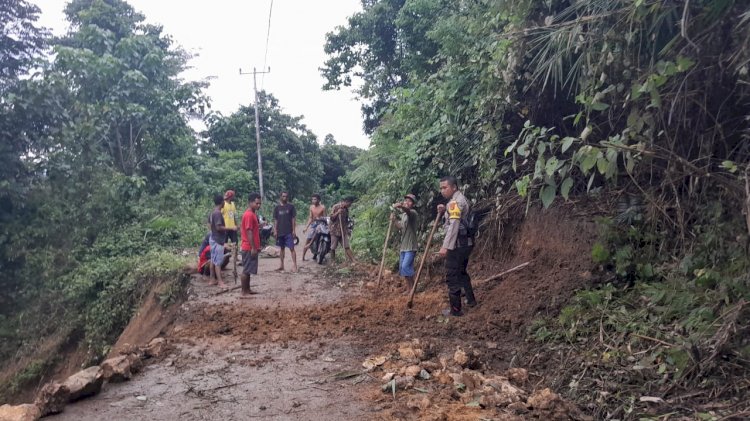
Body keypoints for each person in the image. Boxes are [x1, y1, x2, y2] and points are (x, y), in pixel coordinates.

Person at [436, 176, 476, 316]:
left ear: (454, 187)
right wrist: (444, 210)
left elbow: (453, 225)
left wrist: (446, 246)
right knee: (461, 272)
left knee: (452, 274)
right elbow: (454, 218)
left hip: (458, 245)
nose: (442, 191)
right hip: (466, 244)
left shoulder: (455, 203)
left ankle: (456, 310)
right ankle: (471, 300)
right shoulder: (457, 200)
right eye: (441, 188)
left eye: (445, 187)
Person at [391, 194, 419, 292]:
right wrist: (394, 220)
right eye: (406, 200)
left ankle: (412, 288)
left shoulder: (413, 213)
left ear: (413, 204)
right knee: (403, 269)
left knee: (405, 266)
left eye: (410, 201)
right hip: (403, 246)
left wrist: (401, 206)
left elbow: (407, 211)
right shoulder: (403, 216)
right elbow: (401, 227)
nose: (407, 202)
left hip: (411, 246)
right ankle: (409, 288)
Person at [208, 194, 237, 288]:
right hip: (217, 240)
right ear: (222, 202)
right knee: (218, 262)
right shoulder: (218, 213)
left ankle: (212, 279)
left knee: (213, 260)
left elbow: (210, 225)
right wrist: (230, 228)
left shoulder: (212, 212)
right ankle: (220, 282)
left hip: (213, 238)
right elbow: (218, 227)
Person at [240, 192, 262, 298]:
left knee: (248, 270)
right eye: (257, 203)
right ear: (250, 202)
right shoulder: (249, 215)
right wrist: (253, 247)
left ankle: (247, 289)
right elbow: (249, 231)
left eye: (259, 203)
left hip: (250, 246)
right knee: (246, 270)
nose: (259, 205)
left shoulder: (252, 214)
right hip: (248, 247)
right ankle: (244, 291)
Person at [273, 191, 298, 272]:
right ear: (280, 197)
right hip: (280, 232)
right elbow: (276, 220)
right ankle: (282, 265)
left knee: (292, 248)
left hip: (288, 232)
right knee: (282, 248)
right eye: (283, 196)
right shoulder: (277, 208)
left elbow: (293, 219)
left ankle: (295, 265)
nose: (285, 198)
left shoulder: (291, 207)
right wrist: (275, 230)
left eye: (286, 196)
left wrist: (294, 230)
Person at [329, 196, 356, 264]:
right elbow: (331, 218)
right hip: (335, 231)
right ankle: (333, 262)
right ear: (346, 202)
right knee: (333, 247)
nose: (350, 205)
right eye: (350, 204)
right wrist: (338, 212)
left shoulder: (346, 209)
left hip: (343, 231)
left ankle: (353, 260)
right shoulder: (336, 207)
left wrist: (347, 230)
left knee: (346, 246)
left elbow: (346, 221)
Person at [302, 194, 327, 260]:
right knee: (308, 238)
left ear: (319, 200)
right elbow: (310, 218)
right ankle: (303, 257)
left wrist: (324, 222)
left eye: (315, 199)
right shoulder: (311, 207)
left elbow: (325, 218)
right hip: (314, 224)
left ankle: (319, 251)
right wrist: (306, 227)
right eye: (312, 199)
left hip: (321, 224)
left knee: (322, 235)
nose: (313, 201)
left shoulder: (323, 207)